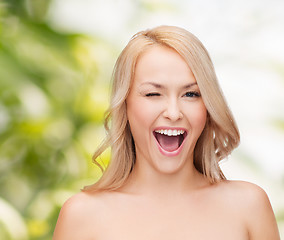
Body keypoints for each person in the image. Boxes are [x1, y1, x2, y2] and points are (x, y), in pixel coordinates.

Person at [53, 25, 280, 239]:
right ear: (125, 107)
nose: (173, 113)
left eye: (190, 94)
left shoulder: (249, 206)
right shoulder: (82, 215)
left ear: (208, 108)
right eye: (153, 94)